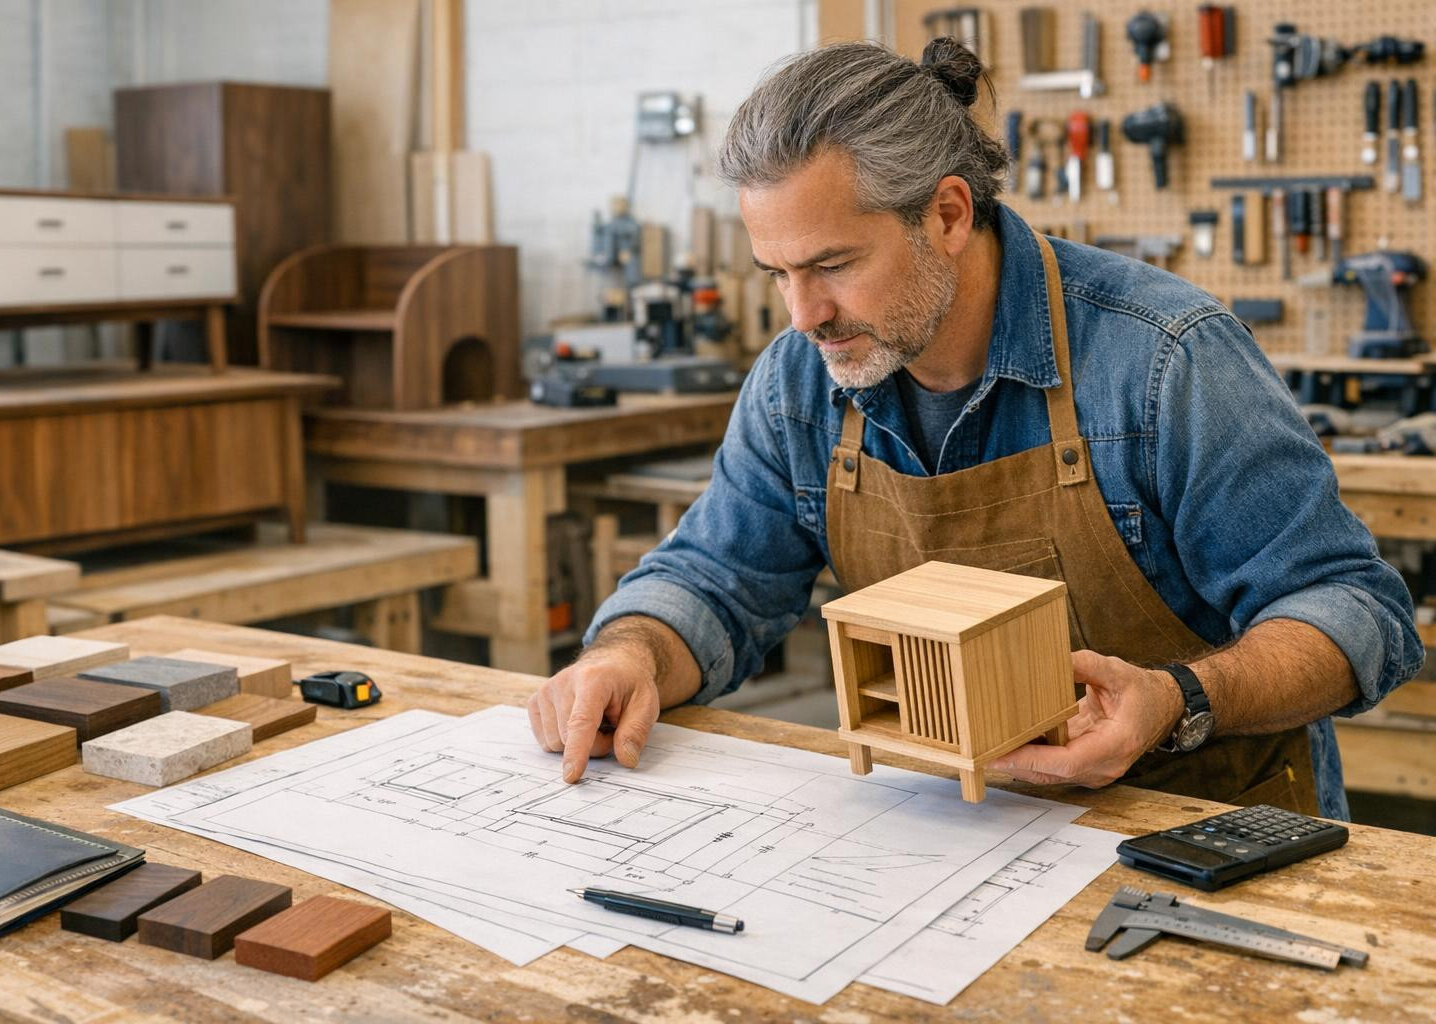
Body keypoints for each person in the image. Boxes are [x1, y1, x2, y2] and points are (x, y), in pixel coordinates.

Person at [525, 38, 1422, 819]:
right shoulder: (801, 382)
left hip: (1201, 833)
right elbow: (718, 579)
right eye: (776, 273)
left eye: (833, 264)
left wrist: (1180, 697)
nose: (803, 314)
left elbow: (1354, 611)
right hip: (952, 838)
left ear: (948, 214)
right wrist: (629, 653)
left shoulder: (1163, 360)